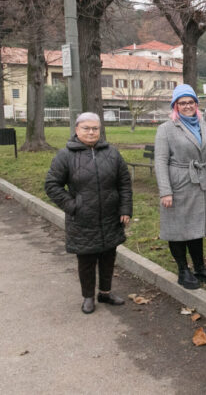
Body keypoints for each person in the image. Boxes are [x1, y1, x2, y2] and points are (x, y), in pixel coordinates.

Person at [45, 112, 132, 314]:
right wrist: (73, 205)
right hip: (82, 219)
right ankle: (88, 297)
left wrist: (125, 208)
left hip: (110, 217)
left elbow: (124, 183)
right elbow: (52, 185)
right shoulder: (65, 155)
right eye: (86, 128)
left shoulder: (112, 153)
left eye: (95, 128)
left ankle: (105, 292)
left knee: (108, 256)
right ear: (77, 130)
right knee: (86, 259)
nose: (91, 132)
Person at [155, 84, 206, 290]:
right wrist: (165, 191)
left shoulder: (204, 125)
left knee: (196, 226)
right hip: (179, 184)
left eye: (190, 102)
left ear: (196, 104)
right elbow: (160, 161)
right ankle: (183, 269)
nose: (187, 106)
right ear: (175, 106)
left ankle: (200, 267)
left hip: (202, 184)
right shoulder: (166, 129)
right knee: (178, 227)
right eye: (182, 103)